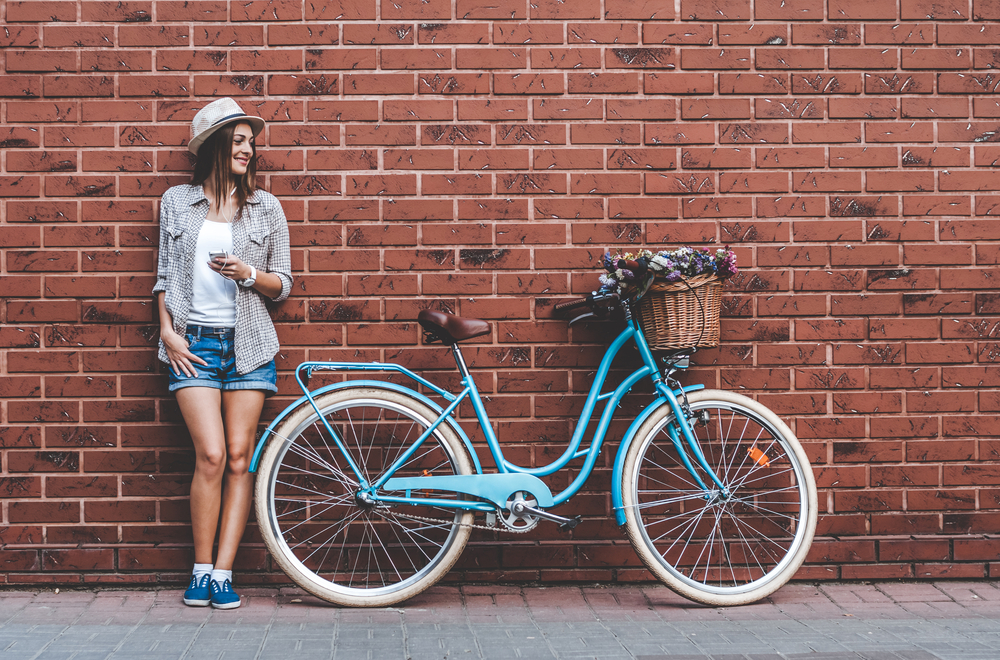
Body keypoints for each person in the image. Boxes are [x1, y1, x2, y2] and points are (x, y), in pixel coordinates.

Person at [153, 98, 292, 610]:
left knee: (238, 459)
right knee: (209, 455)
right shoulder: (176, 202)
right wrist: (167, 331)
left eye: (250, 143)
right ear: (214, 145)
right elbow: (165, 276)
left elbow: (284, 285)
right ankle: (200, 567)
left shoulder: (267, 208)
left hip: (250, 345)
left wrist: (247, 275)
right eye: (238, 141)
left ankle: (223, 575)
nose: (248, 150)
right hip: (194, 345)